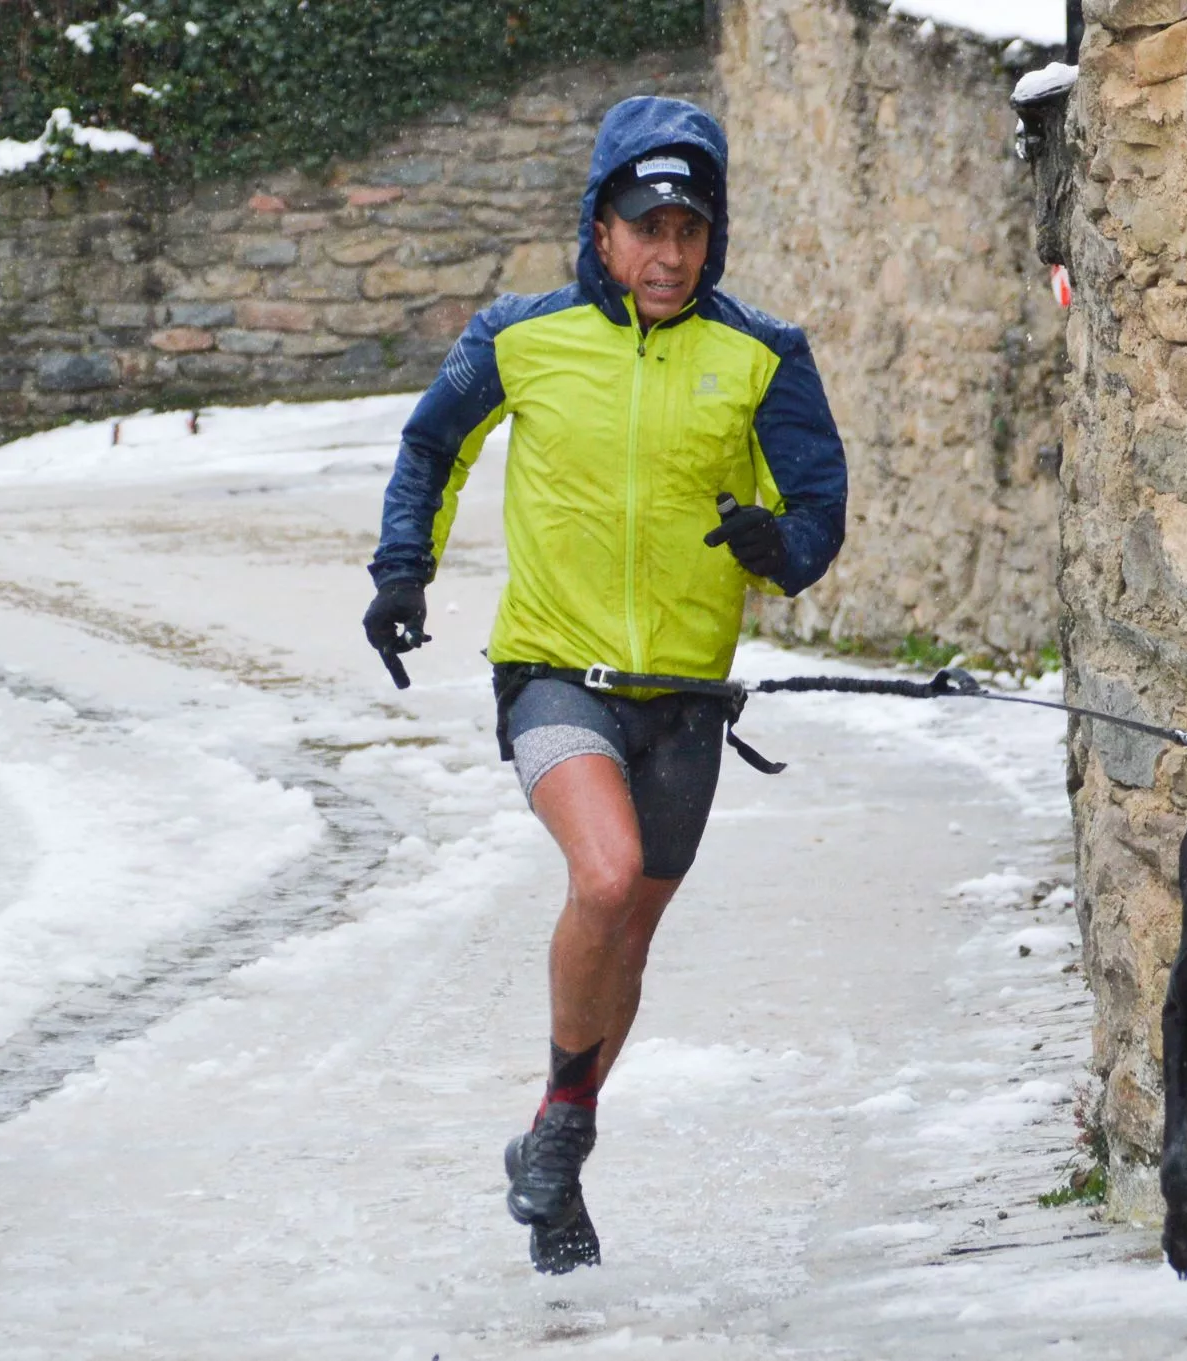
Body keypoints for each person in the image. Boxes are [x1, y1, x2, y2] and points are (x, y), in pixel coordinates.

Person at [361, 96, 847, 1273]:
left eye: (688, 230)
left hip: (684, 695)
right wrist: (401, 570)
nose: (667, 253)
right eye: (645, 228)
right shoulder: (520, 336)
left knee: (627, 932)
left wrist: (774, 545)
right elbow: (432, 445)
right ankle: (570, 1129)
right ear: (599, 228)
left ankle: (552, 1137)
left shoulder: (762, 354)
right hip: (552, 670)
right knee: (605, 872)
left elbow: (816, 512)